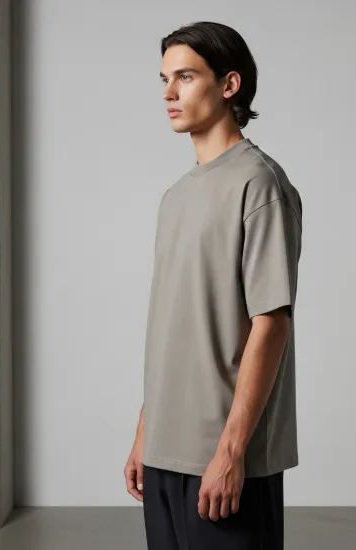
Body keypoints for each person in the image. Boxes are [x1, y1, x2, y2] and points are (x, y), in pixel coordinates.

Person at [124, 21, 302, 550]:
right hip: (165, 452)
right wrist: (146, 432)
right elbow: (175, 325)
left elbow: (271, 323)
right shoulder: (176, 196)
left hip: (224, 456)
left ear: (229, 84)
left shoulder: (259, 183)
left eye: (185, 77)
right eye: (164, 79)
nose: (169, 93)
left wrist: (231, 452)